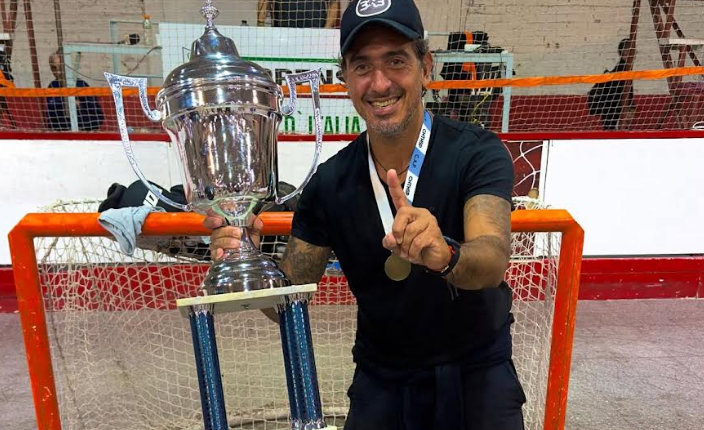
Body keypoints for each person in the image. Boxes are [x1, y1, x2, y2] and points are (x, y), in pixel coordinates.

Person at [206, 0, 523, 428]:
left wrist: (445, 254)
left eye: (396, 61)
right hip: (383, 380)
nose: (379, 83)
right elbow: (287, 302)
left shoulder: (476, 152)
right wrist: (248, 262)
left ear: (426, 67)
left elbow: (492, 258)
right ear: (344, 79)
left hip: (477, 375)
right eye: (362, 66)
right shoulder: (329, 184)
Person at [46, 52, 104, 131]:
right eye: (53, 68)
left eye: (60, 67)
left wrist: (79, 106)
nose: (58, 72)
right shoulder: (52, 87)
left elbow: (98, 118)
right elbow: (50, 118)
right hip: (61, 133)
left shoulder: (82, 86)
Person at [587, 38, 636, 130]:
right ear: (624, 51)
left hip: (612, 113)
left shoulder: (624, 68)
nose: (635, 53)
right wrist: (628, 108)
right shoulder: (621, 69)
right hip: (614, 113)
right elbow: (619, 94)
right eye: (633, 50)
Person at [257, 0, 340, 28]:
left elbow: (333, 3)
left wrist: (326, 29)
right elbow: (264, 1)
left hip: (316, 32)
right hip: (283, 32)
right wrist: (260, 24)